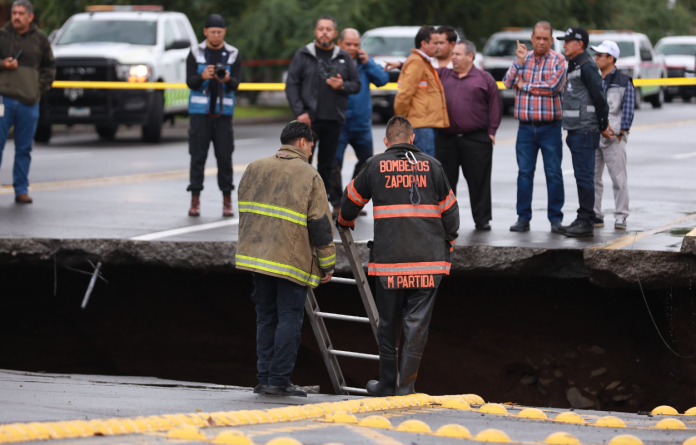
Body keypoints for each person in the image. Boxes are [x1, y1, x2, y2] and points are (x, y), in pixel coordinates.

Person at [337, 115, 459, 397]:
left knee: (388, 324)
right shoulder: (433, 166)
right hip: (429, 262)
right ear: (412, 138)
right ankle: (406, 387)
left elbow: (349, 203)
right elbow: (452, 218)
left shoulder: (375, 165)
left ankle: (386, 385)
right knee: (417, 325)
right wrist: (447, 242)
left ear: (386, 141)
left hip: (389, 263)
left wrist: (345, 222)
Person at [236, 121, 335, 398]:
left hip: (257, 258)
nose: (312, 150)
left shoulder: (255, 167)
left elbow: (245, 209)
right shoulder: (309, 175)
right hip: (289, 262)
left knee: (265, 318)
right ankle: (278, 380)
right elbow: (320, 225)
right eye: (312, 145)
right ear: (303, 143)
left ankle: (265, 377)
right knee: (288, 319)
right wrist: (327, 264)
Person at [285, 15, 361, 211]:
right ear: (315, 32)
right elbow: (292, 85)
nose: (324, 32)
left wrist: (343, 84)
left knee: (328, 165)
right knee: (303, 163)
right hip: (308, 121)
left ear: (335, 34)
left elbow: (356, 85)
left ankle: (326, 205)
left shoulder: (343, 56)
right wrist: (300, 112)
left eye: (328, 29)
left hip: (333, 120)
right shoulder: (303, 54)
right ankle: (300, 205)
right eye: (321, 29)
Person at [503, 21, 566, 233]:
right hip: (526, 128)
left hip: (550, 127)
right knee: (524, 173)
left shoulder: (559, 61)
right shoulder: (524, 59)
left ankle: (555, 219)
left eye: (545, 39)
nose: (541, 42)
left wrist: (526, 86)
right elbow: (508, 83)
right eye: (537, 38)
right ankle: (523, 218)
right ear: (532, 38)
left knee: (554, 173)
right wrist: (518, 63)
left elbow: (552, 87)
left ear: (551, 40)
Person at [434, 41, 502, 230]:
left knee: (478, 180)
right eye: (453, 54)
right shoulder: (443, 75)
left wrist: (491, 132)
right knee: (445, 182)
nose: (453, 57)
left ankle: (482, 220)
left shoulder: (484, 78)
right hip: (446, 138)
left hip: (476, 138)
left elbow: (495, 105)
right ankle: (446, 221)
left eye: (457, 54)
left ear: (470, 56)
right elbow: (421, 70)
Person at [556, 27, 613, 237]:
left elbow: (599, 97)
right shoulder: (576, 64)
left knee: (585, 177)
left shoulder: (587, 66)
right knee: (582, 177)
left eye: (567, 41)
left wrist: (603, 124)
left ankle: (586, 222)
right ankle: (583, 217)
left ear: (579, 43)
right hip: (576, 129)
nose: (564, 45)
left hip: (585, 130)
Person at [185, 14, 241, 217]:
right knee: (197, 156)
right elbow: (189, 82)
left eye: (219, 32)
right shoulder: (195, 52)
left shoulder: (233, 53)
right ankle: (195, 199)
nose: (216, 35)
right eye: (212, 32)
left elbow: (236, 83)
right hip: (200, 114)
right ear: (205, 32)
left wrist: (226, 78)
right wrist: (202, 76)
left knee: (225, 157)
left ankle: (227, 200)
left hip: (223, 114)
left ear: (224, 32)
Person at [0, 0, 55, 204]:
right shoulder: (2, 36)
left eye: (21, 13)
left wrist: (38, 90)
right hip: (3, 100)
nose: (16, 16)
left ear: (30, 17)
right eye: (14, 12)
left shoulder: (40, 39)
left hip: (29, 102)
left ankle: (21, 189)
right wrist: (3, 64)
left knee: (24, 148)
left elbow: (50, 66)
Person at [330, 28, 389, 217]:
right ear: (340, 43)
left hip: (362, 124)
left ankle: (353, 201)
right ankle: (337, 203)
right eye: (349, 44)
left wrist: (369, 62)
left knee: (366, 163)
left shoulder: (365, 63)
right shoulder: (333, 61)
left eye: (356, 45)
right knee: (334, 163)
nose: (353, 48)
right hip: (339, 122)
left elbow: (382, 80)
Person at [590, 40, 634, 231]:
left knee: (618, 178)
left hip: (614, 137)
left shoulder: (624, 81)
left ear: (611, 58)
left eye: (600, 55)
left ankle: (621, 216)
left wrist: (621, 132)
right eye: (596, 55)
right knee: (592, 178)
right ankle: (596, 214)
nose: (596, 58)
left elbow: (629, 108)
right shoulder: (592, 78)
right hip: (594, 135)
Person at [389, 26, 449, 157]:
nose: (438, 47)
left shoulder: (422, 62)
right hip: (421, 126)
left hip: (424, 124)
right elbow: (404, 95)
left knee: (424, 167)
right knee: (424, 168)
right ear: (424, 43)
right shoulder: (417, 62)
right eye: (435, 43)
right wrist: (403, 121)